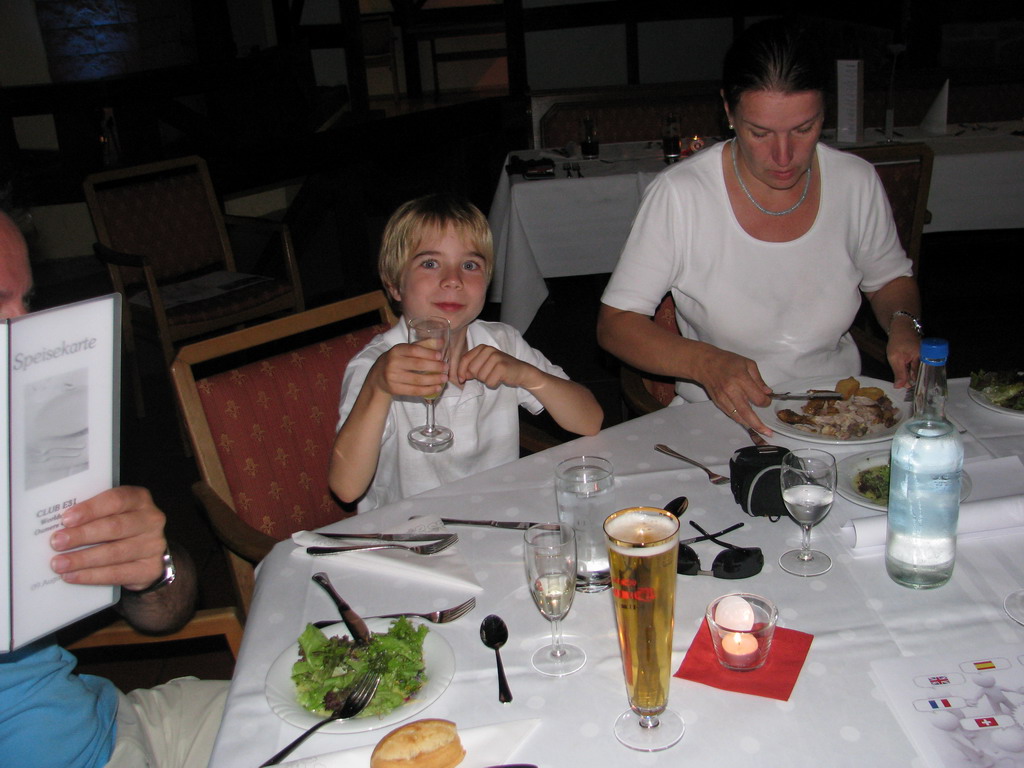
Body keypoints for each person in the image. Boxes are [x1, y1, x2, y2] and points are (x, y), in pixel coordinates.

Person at [597, 17, 922, 435]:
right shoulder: (682, 194)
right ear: (728, 111)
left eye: (804, 129)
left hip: (839, 414)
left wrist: (903, 324)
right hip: (720, 419)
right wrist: (704, 362)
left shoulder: (854, 181)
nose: (784, 156)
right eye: (760, 133)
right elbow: (616, 324)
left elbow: (889, 279)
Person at [0, 210, 228, 768]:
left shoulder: (26, 436)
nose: (23, 332)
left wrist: (151, 568)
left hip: (116, 721)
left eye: (26, 301)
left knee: (362, 714)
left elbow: (167, 612)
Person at [330, 194, 603, 511]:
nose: (453, 280)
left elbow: (589, 421)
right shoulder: (376, 367)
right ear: (394, 284)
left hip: (496, 516)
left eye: (470, 265)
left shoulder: (502, 342)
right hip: (411, 531)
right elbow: (346, 488)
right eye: (430, 263)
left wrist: (529, 376)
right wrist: (377, 387)